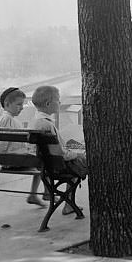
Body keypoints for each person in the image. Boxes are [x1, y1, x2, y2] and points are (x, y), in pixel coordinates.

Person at [31, 85, 87, 213]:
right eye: (58, 100)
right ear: (48, 103)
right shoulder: (47, 125)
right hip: (57, 167)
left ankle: (68, 204)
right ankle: (68, 205)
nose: (60, 102)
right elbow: (61, 154)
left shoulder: (36, 122)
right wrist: (76, 154)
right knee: (84, 160)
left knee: (78, 157)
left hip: (45, 166)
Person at [0, 87, 44, 206]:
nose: (22, 107)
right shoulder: (8, 119)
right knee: (44, 159)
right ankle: (39, 193)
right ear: (7, 104)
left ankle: (34, 195)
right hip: (12, 161)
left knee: (39, 158)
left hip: (11, 159)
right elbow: (0, 142)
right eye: (19, 104)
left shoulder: (6, 118)